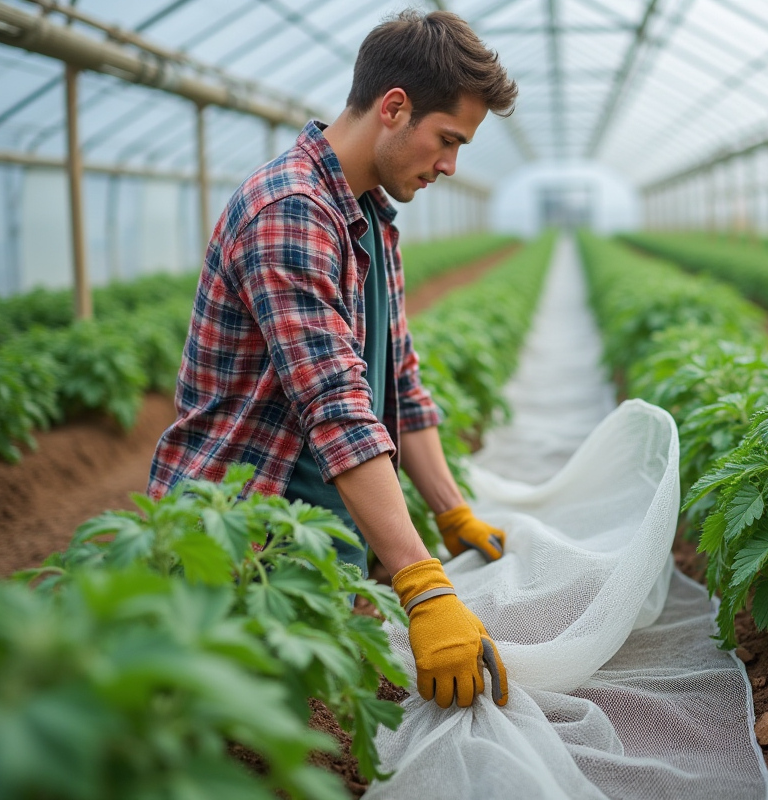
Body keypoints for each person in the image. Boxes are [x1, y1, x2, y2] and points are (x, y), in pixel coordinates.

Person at [147, 9, 518, 710]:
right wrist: (423, 583)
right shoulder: (291, 210)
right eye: (447, 140)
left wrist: (451, 511)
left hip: (316, 529)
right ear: (394, 108)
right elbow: (338, 406)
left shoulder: (369, 217)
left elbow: (397, 381)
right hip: (241, 546)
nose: (449, 164)